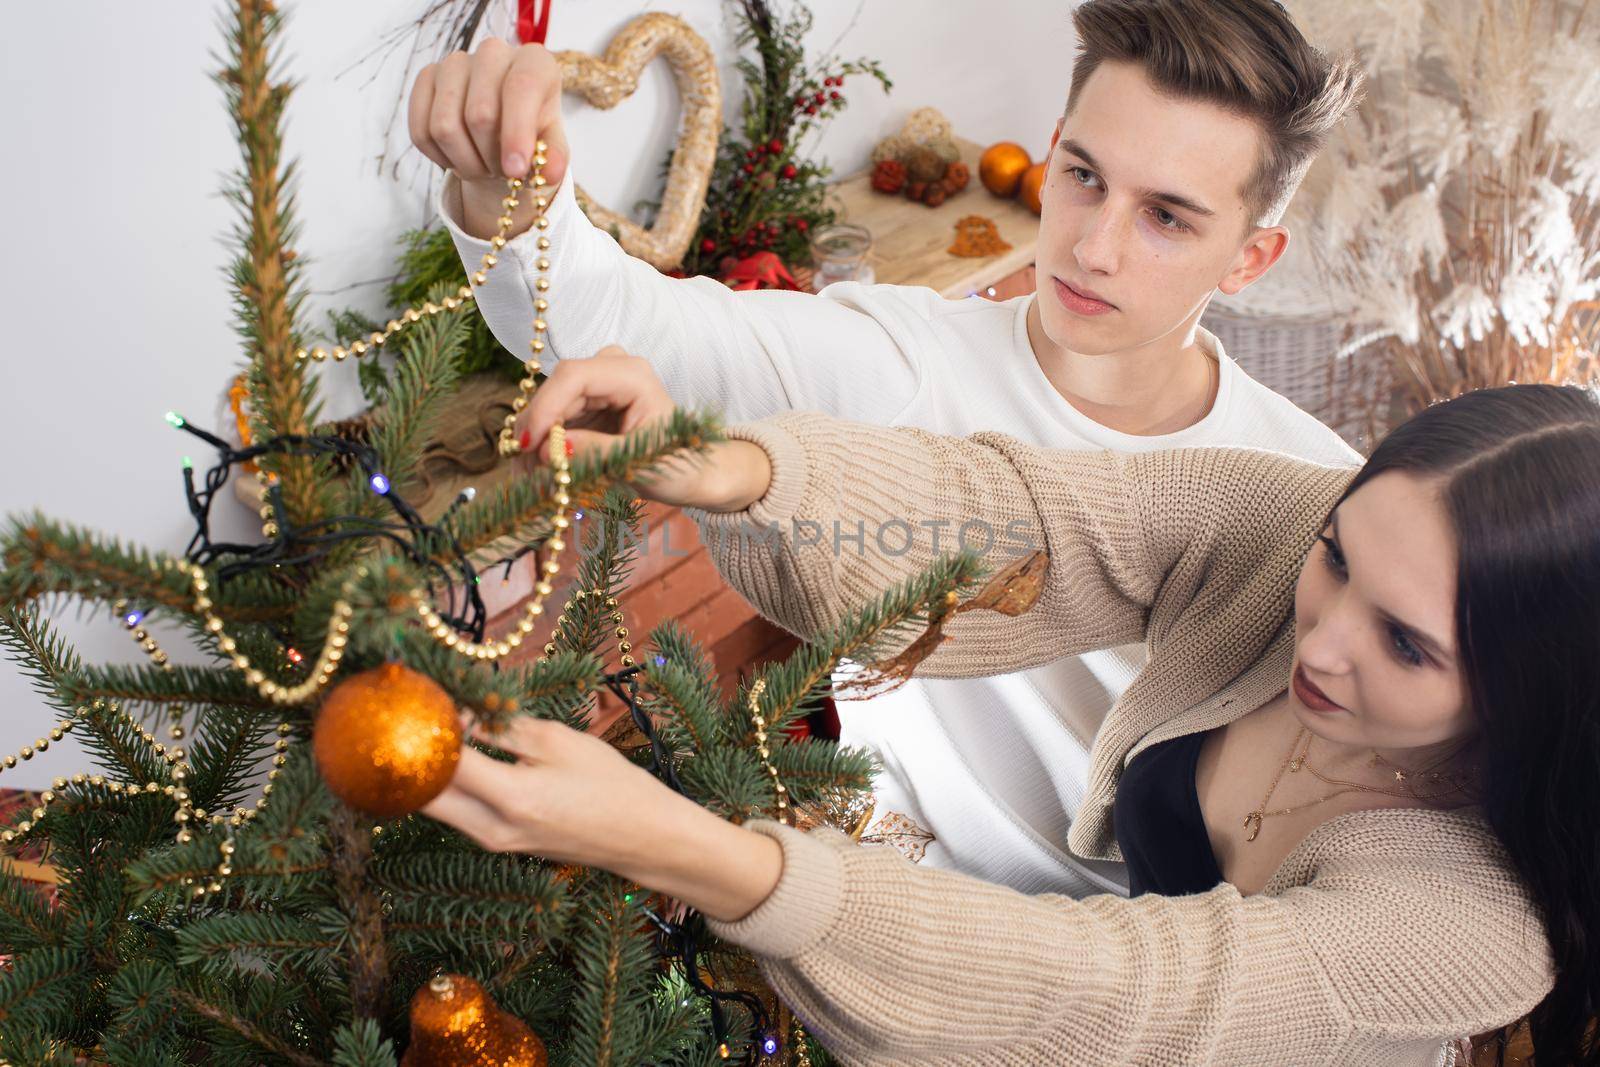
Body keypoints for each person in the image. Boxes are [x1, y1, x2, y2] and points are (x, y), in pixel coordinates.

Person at [407, 0, 1364, 896]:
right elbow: (611, 315)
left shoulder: (1318, 501)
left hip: (1147, 963)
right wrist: (505, 190)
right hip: (877, 902)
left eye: (1165, 215)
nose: (1093, 247)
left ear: (1249, 257)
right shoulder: (904, 358)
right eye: (1083, 176)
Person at [424, 358, 1600, 1065]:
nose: (1323, 634)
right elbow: (1027, 518)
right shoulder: (1287, 527)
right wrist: (741, 470)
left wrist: (686, 848)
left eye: (1404, 641)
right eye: (1337, 556)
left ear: (1527, 682)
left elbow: (1118, 997)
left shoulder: (1473, 926)